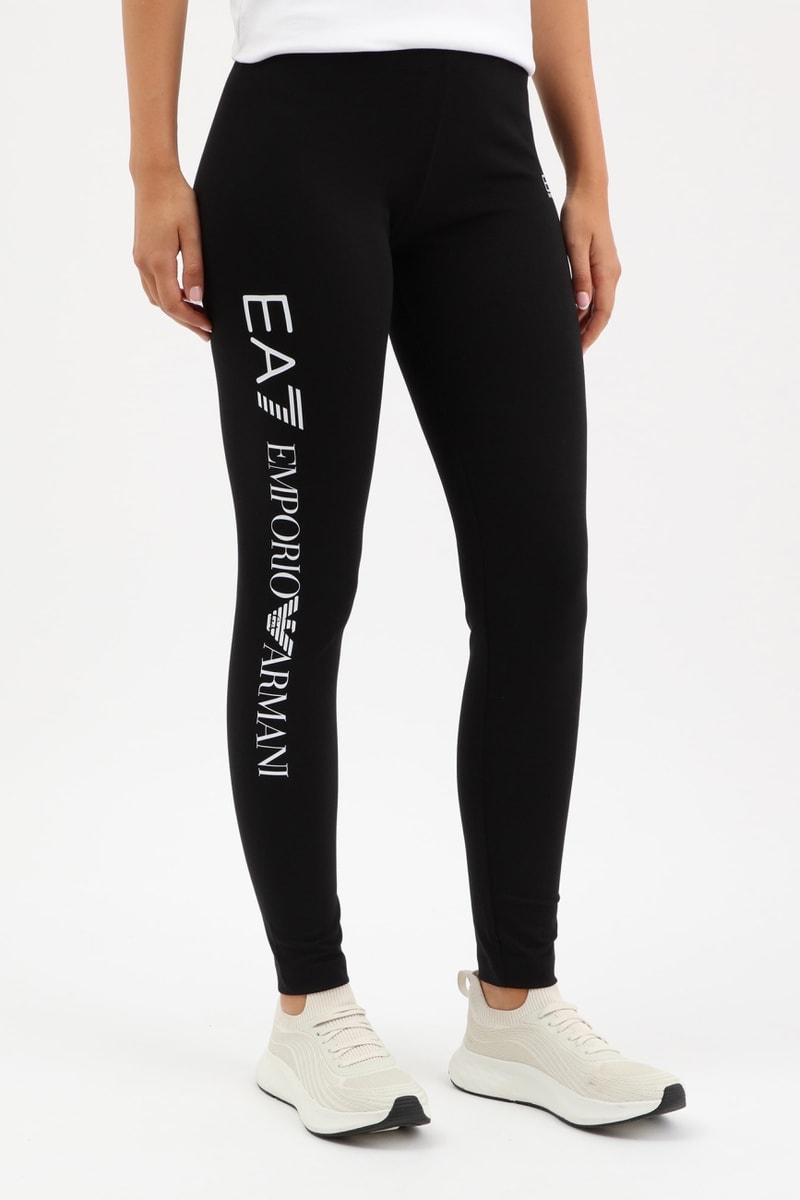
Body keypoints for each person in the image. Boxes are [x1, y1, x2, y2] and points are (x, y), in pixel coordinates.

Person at [122, 0, 686, 1139]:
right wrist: (152, 168)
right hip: (294, 139)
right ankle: (309, 1003)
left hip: (488, 145)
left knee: (538, 579)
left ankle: (515, 1002)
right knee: (298, 581)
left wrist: (589, 176)